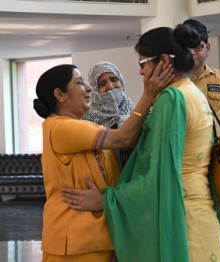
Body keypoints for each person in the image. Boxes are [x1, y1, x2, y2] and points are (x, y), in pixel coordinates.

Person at [61, 25, 220, 262]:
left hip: (181, 215)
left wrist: (107, 200)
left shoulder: (171, 99)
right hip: (200, 212)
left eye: (142, 64)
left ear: (162, 61)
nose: (140, 72)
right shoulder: (192, 91)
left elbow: (159, 175)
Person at [33, 63, 173, 261]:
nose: (89, 88)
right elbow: (123, 138)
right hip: (76, 242)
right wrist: (148, 95)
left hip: (98, 237)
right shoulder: (60, 128)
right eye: (80, 83)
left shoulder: (84, 125)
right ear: (60, 94)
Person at [183, 18, 220, 248]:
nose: (193, 53)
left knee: (217, 222)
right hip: (185, 164)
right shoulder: (173, 82)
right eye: (187, 48)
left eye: (198, 47)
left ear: (208, 47)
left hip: (215, 162)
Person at [82, 61, 135, 168]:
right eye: (102, 84)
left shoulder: (133, 109)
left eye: (114, 79)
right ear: (95, 90)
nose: (110, 86)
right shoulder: (86, 119)